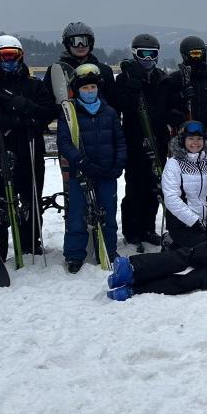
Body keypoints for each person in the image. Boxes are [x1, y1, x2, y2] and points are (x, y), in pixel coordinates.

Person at [0, 35, 58, 261]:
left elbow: (48, 112)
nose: (9, 61)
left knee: (30, 197)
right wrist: (17, 121)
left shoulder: (34, 85)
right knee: (1, 201)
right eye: (3, 57)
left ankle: (31, 242)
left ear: (21, 56)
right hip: (1, 150)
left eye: (13, 56)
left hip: (30, 149)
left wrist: (25, 107)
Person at [55, 63, 126, 272]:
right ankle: (75, 254)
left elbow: (120, 141)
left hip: (106, 172)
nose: (89, 91)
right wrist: (81, 161)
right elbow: (64, 142)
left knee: (108, 213)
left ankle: (109, 250)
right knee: (78, 214)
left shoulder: (109, 112)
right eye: (85, 88)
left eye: (93, 87)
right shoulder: (69, 113)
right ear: (78, 90)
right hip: (82, 173)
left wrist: (119, 163)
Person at [112, 33, 173, 250]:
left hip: (158, 140)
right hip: (135, 140)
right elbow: (123, 106)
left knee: (154, 187)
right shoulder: (125, 78)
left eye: (152, 54)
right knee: (135, 187)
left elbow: (168, 107)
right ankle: (132, 230)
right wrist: (134, 83)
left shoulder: (161, 78)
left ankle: (148, 227)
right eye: (143, 54)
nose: (147, 59)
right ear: (135, 54)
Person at [46, 21, 116, 205]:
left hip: (101, 138)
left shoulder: (104, 71)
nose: (80, 46)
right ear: (67, 43)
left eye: (84, 41)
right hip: (72, 137)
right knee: (74, 190)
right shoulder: (57, 71)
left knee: (102, 189)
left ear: (91, 43)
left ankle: (100, 228)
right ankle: (75, 226)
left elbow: (114, 103)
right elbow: (48, 102)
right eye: (74, 41)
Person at [161, 120, 207, 250]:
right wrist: (194, 221)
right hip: (182, 223)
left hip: (205, 223)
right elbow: (171, 199)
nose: (196, 142)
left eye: (200, 138)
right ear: (183, 140)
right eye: (191, 138)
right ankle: (170, 242)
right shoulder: (174, 163)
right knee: (203, 252)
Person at [167, 36, 207, 139]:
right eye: (194, 54)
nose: (197, 58)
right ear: (185, 55)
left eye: (199, 53)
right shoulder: (175, 79)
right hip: (184, 135)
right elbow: (166, 107)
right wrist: (181, 97)